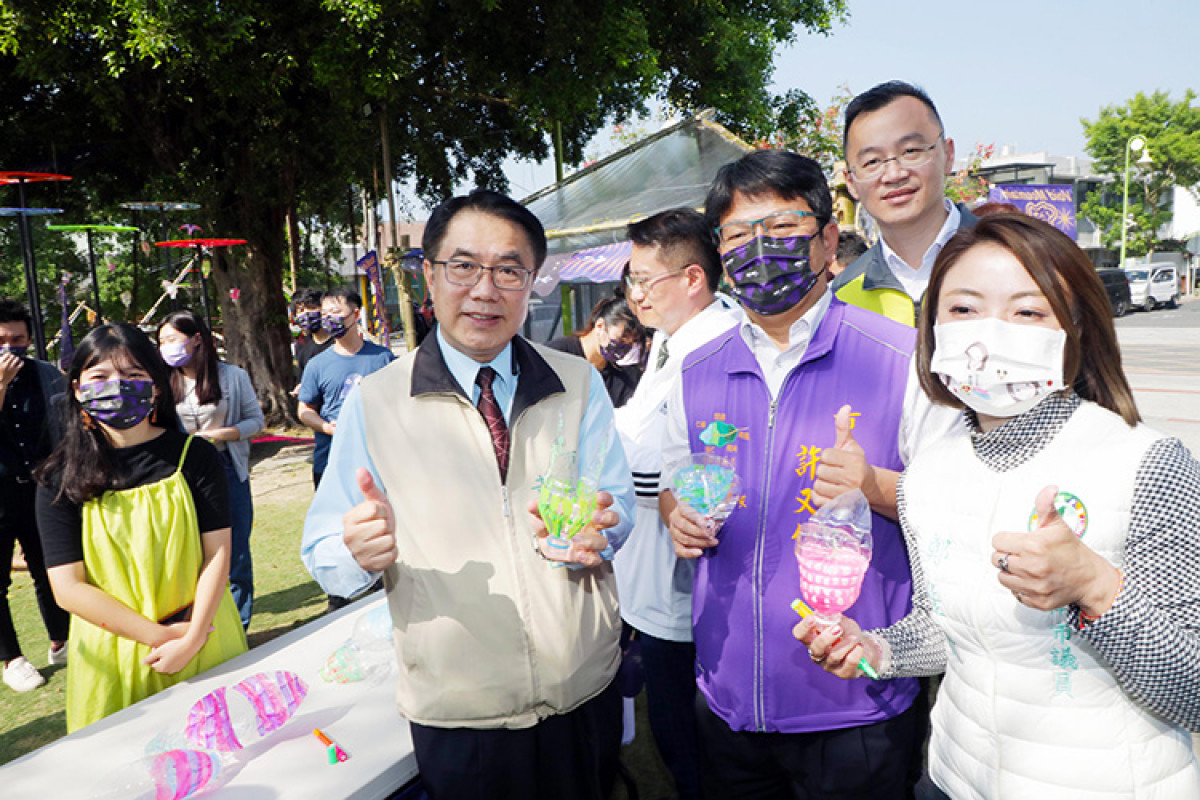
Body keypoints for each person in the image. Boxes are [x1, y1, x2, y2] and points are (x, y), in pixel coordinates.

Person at [797, 213, 1200, 798]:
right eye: (963, 309)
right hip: (954, 779)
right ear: (931, 327)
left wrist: (1096, 588)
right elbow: (947, 629)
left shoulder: (1149, 463)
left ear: (1077, 330)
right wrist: (873, 647)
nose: (990, 332)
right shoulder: (928, 475)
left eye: (1027, 312)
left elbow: (1192, 693)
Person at [300, 188, 635, 800]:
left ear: (530, 282)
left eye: (509, 269)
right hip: (460, 714)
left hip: (582, 690)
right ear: (429, 275)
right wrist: (358, 551)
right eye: (463, 266)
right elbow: (325, 552)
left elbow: (617, 504)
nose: (485, 289)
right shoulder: (376, 404)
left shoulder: (578, 383)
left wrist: (604, 528)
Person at [662, 149, 926, 798]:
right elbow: (674, 479)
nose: (759, 248)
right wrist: (676, 516)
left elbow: (957, 508)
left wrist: (876, 487)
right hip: (729, 697)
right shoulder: (696, 368)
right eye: (738, 234)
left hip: (856, 699)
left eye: (781, 228)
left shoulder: (902, 357)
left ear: (828, 238)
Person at [34, 323, 247, 732]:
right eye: (100, 377)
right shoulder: (58, 478)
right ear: (77, 388)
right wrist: (162, 638)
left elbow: (217, 553)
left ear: (156, 387)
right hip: (116, 652)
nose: (118, 386)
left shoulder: (193, 456)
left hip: (204, 633)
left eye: (133, 376)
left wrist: (194, 636)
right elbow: (68, 588)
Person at [613, 207, 741, 800]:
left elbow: (672, 469)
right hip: (651, 583)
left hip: (687, 594)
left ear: (692, 279)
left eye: (644, 280)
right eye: (631, 280)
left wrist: (600, 454)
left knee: (694, 748)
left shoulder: (715, 351)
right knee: (674, 738)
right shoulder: (668, 343)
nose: (634, 294)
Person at [833, 81, 978, 326]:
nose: (894, 174)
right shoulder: (840, 300)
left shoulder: (1020, 263)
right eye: (872, 162)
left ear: (948, 155)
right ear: (851, 182)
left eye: (910, 151)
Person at [157, 310, 265, 630]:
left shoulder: (232, 376)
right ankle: (201, 623)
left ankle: (239, 625)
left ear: (196, 340)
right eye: (161, 341)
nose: (166, 347)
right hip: (180, 476)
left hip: (226, 468)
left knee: (235, 552)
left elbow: (255, 422)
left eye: (172, 340)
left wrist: (218, 435)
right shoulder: (162, 382)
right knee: (189, 552)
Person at [0, 299, 70, 693]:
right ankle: (12, 658)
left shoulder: (46, 375)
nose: (11, 348)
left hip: (42, 485)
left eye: (19, 339)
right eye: (2, 339)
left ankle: (61, 639)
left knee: (50, 565)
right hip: (0, 490)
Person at [297, 285, 394, 489]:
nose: (329, 318)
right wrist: (327, 427)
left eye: (336, 312)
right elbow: (305, 409)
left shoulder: (382, 358)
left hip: (377, 462)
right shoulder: (317, 364)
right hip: (330, 461)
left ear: (355, 314)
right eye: (325, 314)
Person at [548, 293, 648, 408]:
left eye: (631, 344)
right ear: (600, 326)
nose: (624, 348)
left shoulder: (626, 376)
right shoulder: (556, 356)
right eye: (621, 339)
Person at [290, 287, 331, 395]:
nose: (306, 314)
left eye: (311, 307)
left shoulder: (340, 342)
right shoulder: (302, 348)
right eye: (301, 311)